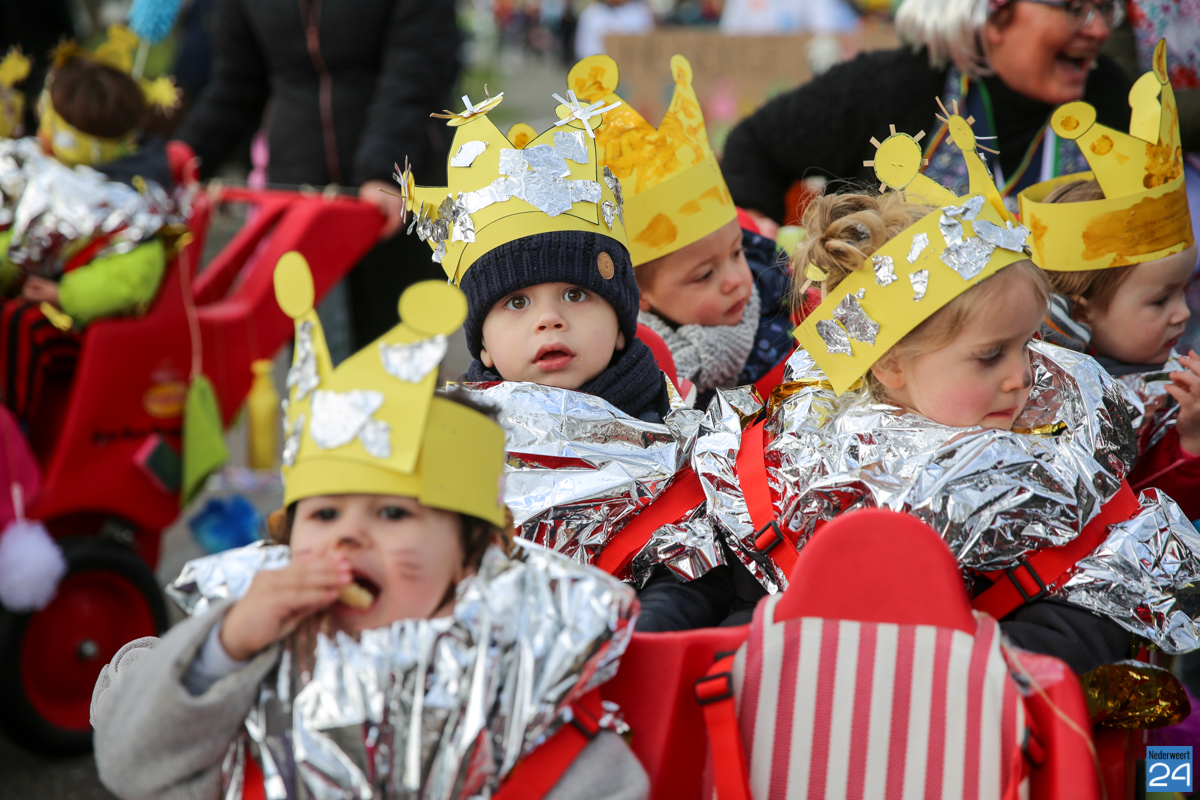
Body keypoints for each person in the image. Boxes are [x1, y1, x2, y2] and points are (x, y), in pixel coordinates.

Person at [90, 257, 648, 800]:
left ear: (472, 556)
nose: (348, 536)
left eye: (392, 514)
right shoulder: (243, 657)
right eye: (324, 514)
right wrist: (225, 647)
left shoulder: (530, 681)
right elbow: (130, 766)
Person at [702, 113, 1200, 672]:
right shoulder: (808, 469)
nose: (1020, 376)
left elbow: (1082, 620)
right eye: (989, 356)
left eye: (1026, 346)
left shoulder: (1053, 461)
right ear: (891, 363)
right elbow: (741, 613)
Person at [173, 0, 461, 351]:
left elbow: (416, 72)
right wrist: (179, 161)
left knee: (397, 350)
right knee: (310, 353)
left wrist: (383, 170)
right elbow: (235, 85)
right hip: (297, 194)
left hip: (399, 181)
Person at [722, 0, 1133, 235]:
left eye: (1105, 8)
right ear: (996, 15)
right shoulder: (896, 84)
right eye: (1075, 7)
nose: (1098, 30)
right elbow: (754, 143)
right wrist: (759, 243)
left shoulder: (1111, 96)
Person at [1020, 41, 1200, 519]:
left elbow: (1162, 519)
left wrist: (1190, 439)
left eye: (1183, 291)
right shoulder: (1031, 395)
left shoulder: (1171, 391)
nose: (1183, 313)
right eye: (1159, 300)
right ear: (1079, 309)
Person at [564, 54, 794, 408]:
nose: (736, 279)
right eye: (704, 275)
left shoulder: (783, 302)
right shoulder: (628, 369)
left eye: (736, 252)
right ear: (639, 294)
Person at [0, 26, 178, 425]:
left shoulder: (131, 202)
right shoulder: (41, 173)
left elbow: (132, 277)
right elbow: (15, 236)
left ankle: (11, 432)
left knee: (19, 324)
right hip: (26, 293)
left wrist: (65, 294)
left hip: (82, 322)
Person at [574, 0, 654, 59]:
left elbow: (649, 46)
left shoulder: (641, 13)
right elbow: (585, 50)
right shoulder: (591, 14)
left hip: (633, 73)